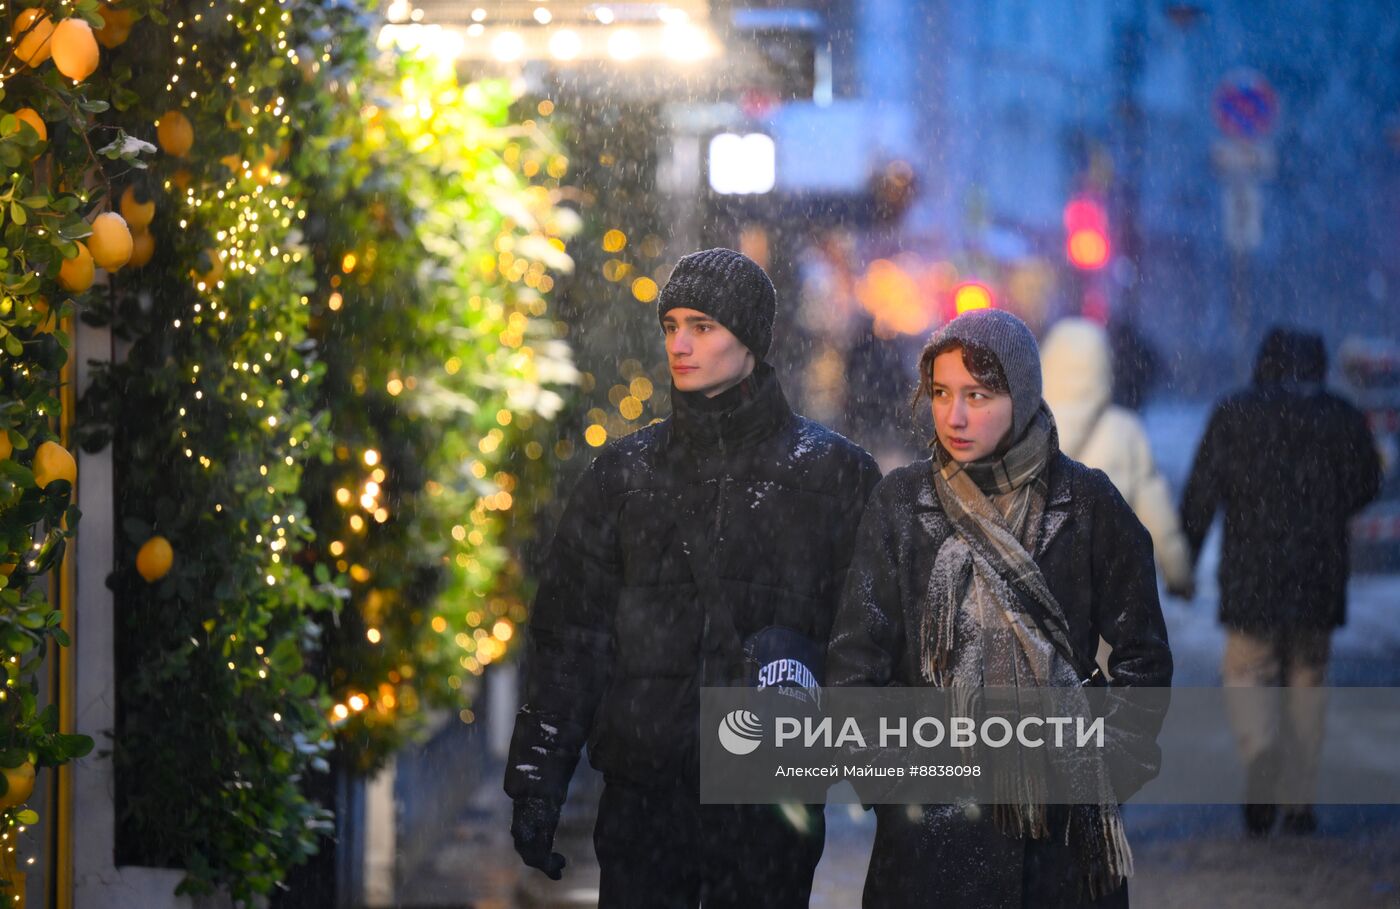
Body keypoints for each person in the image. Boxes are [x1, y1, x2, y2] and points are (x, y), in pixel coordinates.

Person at [504, 248, 882, 907]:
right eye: (671, 324)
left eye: (702, 326)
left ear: (751, 342)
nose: (679, 343)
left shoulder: (834, 476)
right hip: (645, 800)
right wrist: (538, 777)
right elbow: (571, 638)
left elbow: (869, 638)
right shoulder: (624, 476)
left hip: (769, 803)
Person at [827, 308, 1173, 909]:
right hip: (929, 851)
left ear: (1022, 393)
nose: (955, 416)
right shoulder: (901, 506)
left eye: (978, 395)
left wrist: (1104, 769)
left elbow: (1143, 656)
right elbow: (856, 666)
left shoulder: (1087, 504)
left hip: (1061, 846)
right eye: (940, 393)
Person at [1181, 327, 1381, 837]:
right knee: (1308, 681)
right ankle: (1298, 801)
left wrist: (1185, 555)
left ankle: (1259, 749)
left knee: (1248, 672)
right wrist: (1325, 509)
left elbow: (1202, 490)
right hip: (1318, 574)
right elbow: (1366, 484)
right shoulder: (1340, 416)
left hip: (1252, 574)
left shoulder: (1234, 413)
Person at [1041, 317, 1194, 675]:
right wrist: (1179, 573)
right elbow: (1154, 511)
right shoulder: (1124, 430)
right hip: (1111, 585)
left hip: (1047, 582)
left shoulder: (1028, 428)